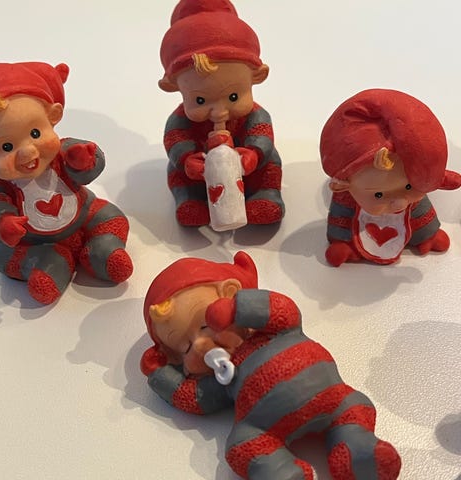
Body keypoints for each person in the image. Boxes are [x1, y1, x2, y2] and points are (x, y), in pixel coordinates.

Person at [141, 252, 401, 480]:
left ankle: (357, 448)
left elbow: (283, 308)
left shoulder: (276, 329)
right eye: (185, 348)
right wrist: (160, 375)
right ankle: (278, 471)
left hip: (333, 397)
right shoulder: (224, 379)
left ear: (231, 295)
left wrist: (239, 308)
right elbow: (198, 398)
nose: (199, 346)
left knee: (351, 408)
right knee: (241, 445)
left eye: (205, 325)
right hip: (264, 425)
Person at [0, 61, 133, 304]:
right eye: (7, 147)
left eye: (35, 134)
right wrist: (2, 222)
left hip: (82, 215)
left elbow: (90, 163)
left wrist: (83, 161)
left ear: (53, 117)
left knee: (111, 216)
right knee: (2, 255)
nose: (28, 152)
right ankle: (46, 265)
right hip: (31, 241)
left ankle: (103, 250)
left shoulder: (64, 152)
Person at [158, 0, 284, 227]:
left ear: (257, 76)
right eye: (200, 100)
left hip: (249, 167)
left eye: (233, 97)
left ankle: (265, 194)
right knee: (177, 173)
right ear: (174, 87)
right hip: (200, 171)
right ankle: (190, 201)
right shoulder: (180, 121)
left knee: (271, 161)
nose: (219, 111)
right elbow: (175, 138)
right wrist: (186, 160)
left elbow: (262, 135)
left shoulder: (255, 116)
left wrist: (254, 154)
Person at [320, 88, 461, 266]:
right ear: (342, 185)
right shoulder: (346, 196)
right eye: (378, 194)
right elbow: (341, 217)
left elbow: (420, 214)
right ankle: (350, 243)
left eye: (409, 186)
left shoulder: (410, 192)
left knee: (417, 206)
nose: (400, 203)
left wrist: (428, 234)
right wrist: (342, 241)